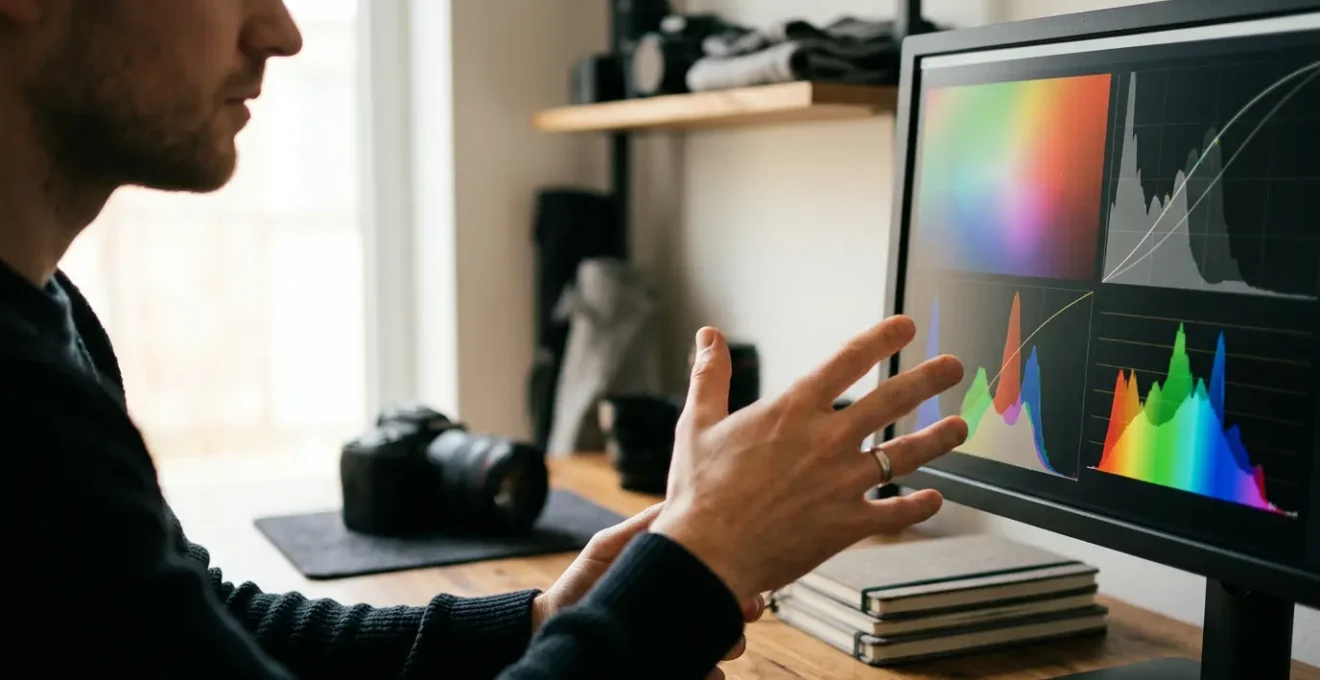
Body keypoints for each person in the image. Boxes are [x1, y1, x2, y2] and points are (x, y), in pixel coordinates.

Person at [0, 1, 968, 678]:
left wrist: (549, 620)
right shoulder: (19, 401)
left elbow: (213, 632)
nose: (282, 31)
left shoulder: (51, 313)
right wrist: (695, 572)